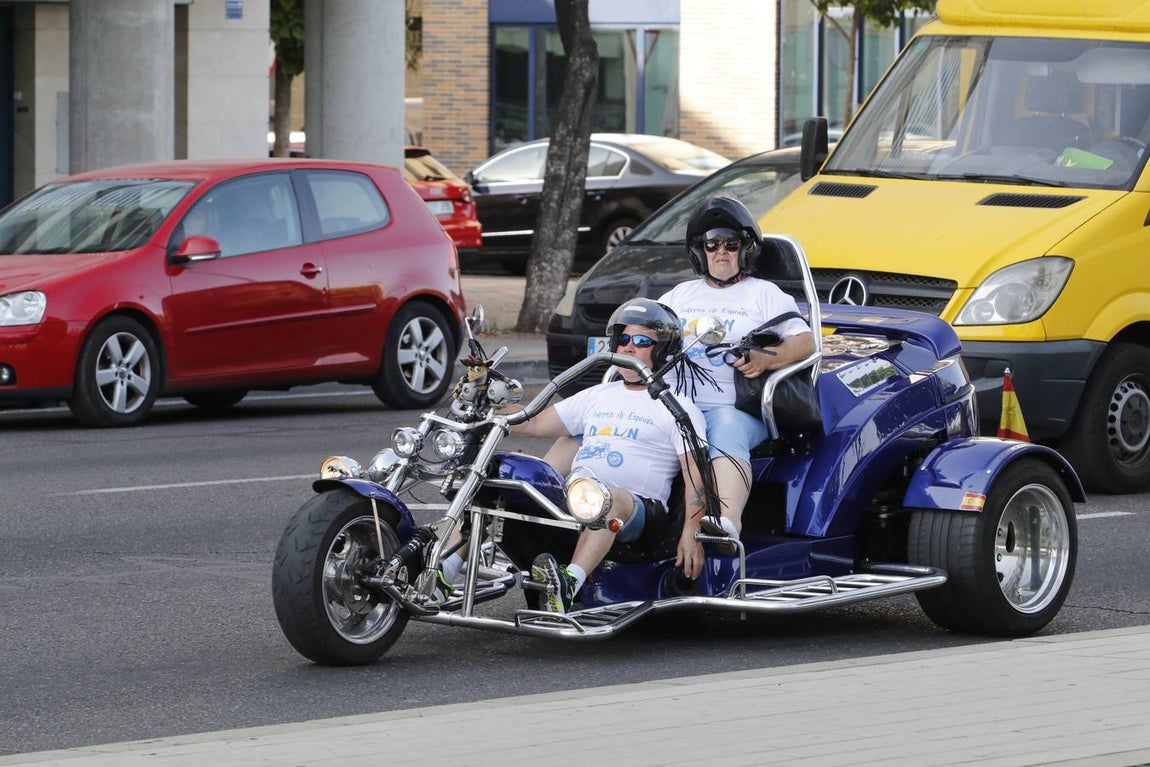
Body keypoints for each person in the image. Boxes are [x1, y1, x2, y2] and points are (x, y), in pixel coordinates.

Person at [438, 299, 713, 615]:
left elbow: (696, 476)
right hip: (577, 498)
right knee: (495, 485)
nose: (628, 348)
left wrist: (692, 534)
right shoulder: (599, 395)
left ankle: (568, 584)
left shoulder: (677, 407)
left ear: (663, 349)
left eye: (641, 342)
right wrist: (484, 399)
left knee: (607, 498)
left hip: (640, 510)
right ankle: (441, 574)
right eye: (622, 340)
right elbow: (534, 419)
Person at [658, 195, 816, 545]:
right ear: (699, 251)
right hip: (673, 405)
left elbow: (805, 342)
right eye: (711, 244)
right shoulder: (679, 295)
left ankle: (726, 525)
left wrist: (767, 358)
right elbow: (645, 332)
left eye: (731, 243)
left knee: (725, 428)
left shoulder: (765, 294)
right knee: (602, 414)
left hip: (734, 409)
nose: (721, 251)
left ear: (746, 249)